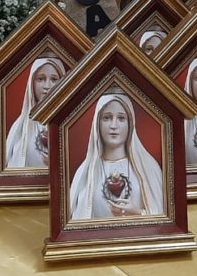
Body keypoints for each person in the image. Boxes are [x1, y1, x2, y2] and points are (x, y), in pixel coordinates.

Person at [69, 89, 164, 220]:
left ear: (130, 123)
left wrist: (138, 214)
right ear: (97, 124)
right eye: (107, 118)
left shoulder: (149, 168)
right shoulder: (84, 173)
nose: (114, 125)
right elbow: (76, 222)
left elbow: (163, 219)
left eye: (121, 118)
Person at [5, 55, 66, 168]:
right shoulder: (20, 126)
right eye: (40, 79)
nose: (47, 86)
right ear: (32, 83)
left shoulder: (70, 125)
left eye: (54, 79)